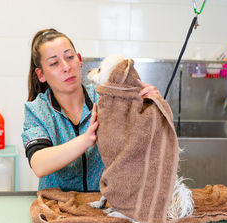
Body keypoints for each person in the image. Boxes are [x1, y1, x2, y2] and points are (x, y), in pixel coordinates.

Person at [22, 28, 160, 192]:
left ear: (79, 60)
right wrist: (86, 140)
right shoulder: (36, 110)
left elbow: (142, 139)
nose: (66, 67)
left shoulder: (105, 97)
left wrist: (152, 107)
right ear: (41, 74)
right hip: (58, 209)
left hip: (106, 205)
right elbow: (39, 164)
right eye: (54, 63)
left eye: (70, 57)